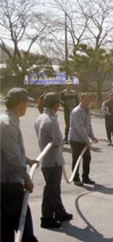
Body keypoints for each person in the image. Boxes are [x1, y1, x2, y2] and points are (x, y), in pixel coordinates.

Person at [1, 88, 57, 242]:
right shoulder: (8, 124)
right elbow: (11, 157)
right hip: (9, 180)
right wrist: (26, 177)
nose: (27, 106)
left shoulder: (8, 121)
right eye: (26, 102)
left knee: (5, 219)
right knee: (23, 216)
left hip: (4, 179)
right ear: (19, 103)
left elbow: (12, 153)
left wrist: (27, 160)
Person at [34, 92, 73, 229]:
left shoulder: (40, 118)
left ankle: (59, 212)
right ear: (55, 104)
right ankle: (47, 218)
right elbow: (58, 140)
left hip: (48, 160)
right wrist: (61, 141)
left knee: (54, 189)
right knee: (51, 190)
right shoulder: (51, 120)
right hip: (53, 160)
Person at [69, 93, 99, 186]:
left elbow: (88, 126)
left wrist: (92, 137)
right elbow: (80, 128)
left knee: (87, 158)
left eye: (89, 100)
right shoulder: (76, 112)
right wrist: (87, 141)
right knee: (76, 159)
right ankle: (76, 178)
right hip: (76, 139)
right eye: (85, 100)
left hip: (84, 139)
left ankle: (85, 178)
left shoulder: (88, 111)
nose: (87, 102)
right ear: (81, 100)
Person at [60, 79, 79, 144]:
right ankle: (66, 138)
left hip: (74, 110)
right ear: (65, 85)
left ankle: (73, 138)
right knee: (68, 124)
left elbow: (77, 101)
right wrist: (67, 107)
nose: (69, 86)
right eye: (68, 85)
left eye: (70, 85)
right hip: (67, 111)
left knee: (74, 124)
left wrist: (76, 107)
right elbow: (61, 101)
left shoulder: (74, 92)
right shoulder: (63, 92)